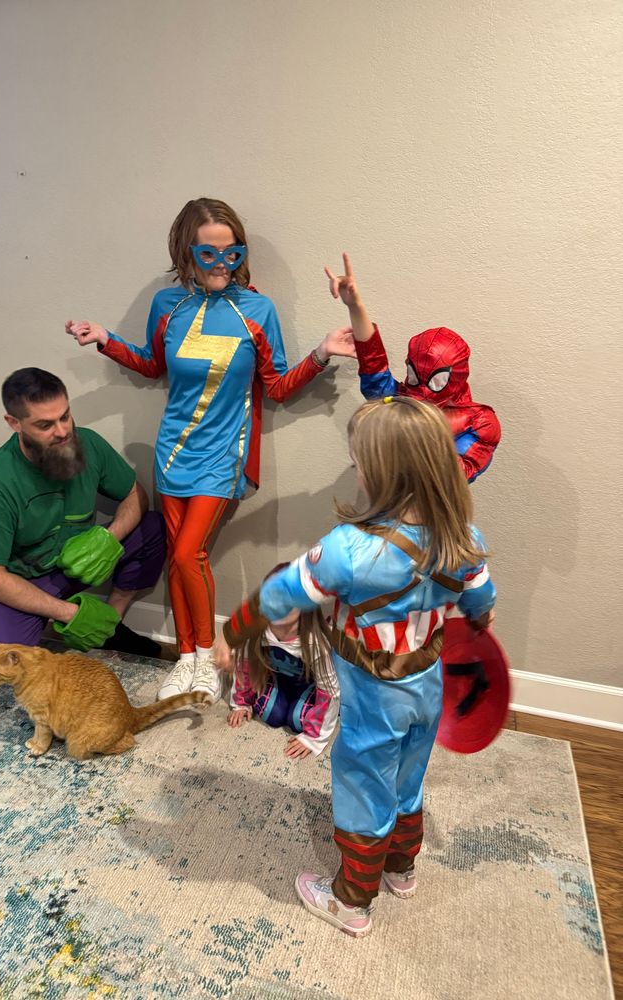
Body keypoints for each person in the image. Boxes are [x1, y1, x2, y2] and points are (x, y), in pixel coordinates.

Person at [214, 396, 496, 937]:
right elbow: (482, 603)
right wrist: (480, 624)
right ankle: (401, 868)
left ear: (383, 474)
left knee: (363, 784)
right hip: (427, 687)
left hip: (374, 696)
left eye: (359, 462)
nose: (356, 471)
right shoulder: (466, 538)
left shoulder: (348, 549)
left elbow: (280, 595)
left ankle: (350, 901)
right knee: (409, 774)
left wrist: (233, 633)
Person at [66, 197, 355, 703]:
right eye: (208, 254)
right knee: (181, 563)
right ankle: (187, 659)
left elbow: (279, 386)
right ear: (185, 254)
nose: (223, 264)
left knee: (186, 552)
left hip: (226, 454)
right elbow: (153, 365)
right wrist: (106, 339)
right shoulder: (167, 305)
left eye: (232, 252)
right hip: (173, 451)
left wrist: (321, 353)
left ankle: (206, 653)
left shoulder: (257, 310)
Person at [0, 368, 170, 674]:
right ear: (14, 423)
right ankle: (72, 628)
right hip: (15, 582)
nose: (61, 431)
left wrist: (108, 538)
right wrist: (71, 614)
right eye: (45, 425)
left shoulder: (87, 444)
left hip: (74, 564)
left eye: (65, 416)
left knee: (152, 528)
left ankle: (109, 626)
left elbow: (134, 495)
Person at [325, 253, 501, 482]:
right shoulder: (402, 401)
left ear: (455, 377)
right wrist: (356, 307)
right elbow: (374, 369)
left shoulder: (478, 421)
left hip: (435, 514)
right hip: (386, 507)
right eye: (414, 375)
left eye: (436, 381)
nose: (423, 391)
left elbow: (455, 477)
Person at [228, 566, 339, 759]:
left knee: (297, 721)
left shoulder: (314, 642)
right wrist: (241, 703)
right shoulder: (257, 630)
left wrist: (314, 737)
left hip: (309, 687)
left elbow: (330, 690)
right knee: (272, 715)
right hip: (279, 680)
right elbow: (244, 665)